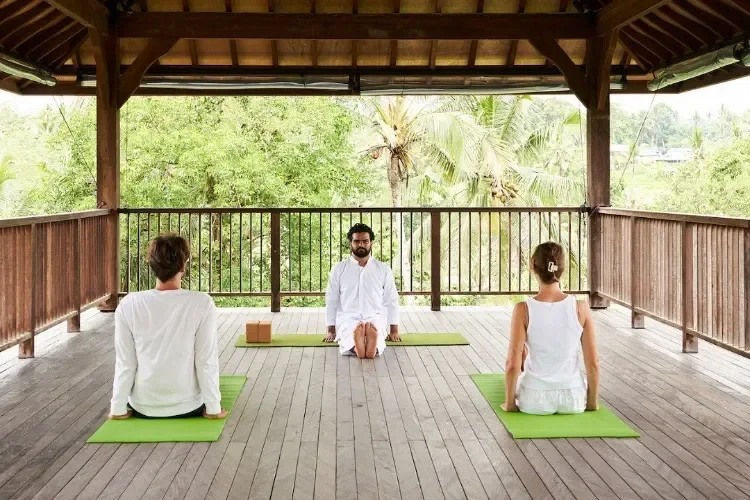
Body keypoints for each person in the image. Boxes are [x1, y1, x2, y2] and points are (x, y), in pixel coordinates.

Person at [109, 234, 227, 420]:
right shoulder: (202, 303)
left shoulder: (129, 304)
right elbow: (205, 360)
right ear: (183, 266)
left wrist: (117, 409)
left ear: (152, 266)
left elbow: (126, 362)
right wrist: (213, 408)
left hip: (143, 407)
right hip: (188, 406)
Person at [502, 241, 600, 415]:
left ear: (533, 265)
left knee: (523, 355)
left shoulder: (523, 310)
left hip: (534, 400)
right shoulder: (581, 308)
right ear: (562, 268)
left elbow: (512, 364)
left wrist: (510, 404)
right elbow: (593, 363)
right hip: (572, 400)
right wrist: (591, 403)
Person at [324, 223, 401, 358]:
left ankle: (369, 348)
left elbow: (391, 299)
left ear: (371, 243)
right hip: (348, 317)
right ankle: (361, 348)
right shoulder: (339, 269)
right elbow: (332, 300)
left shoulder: (383, 269)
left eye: (365, 241)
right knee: (348, 334)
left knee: (377, 333)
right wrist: (331, 330)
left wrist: (394, 331)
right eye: (356, 241)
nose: (361, 245)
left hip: (374, 317)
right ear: (350, 243)